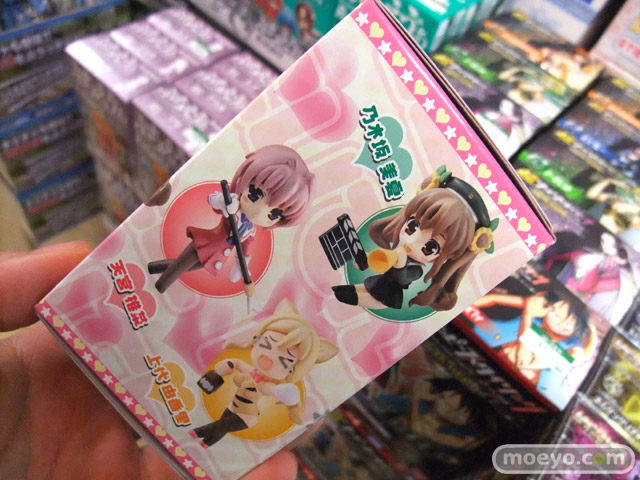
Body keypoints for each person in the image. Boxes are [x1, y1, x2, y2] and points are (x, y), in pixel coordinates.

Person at [0, 242, 298, 479]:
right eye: (267, 344)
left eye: (284, 360)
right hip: (207, 256)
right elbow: (232, 365)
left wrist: (285, 393)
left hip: (243, 415)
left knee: (218, 427)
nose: (269, 357)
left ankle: (201, 436)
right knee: (187, 265)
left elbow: (273, 389)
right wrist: (216, 376)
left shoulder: (262, 380)